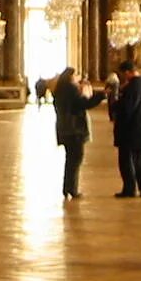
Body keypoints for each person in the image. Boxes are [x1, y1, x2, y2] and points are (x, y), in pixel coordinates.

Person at [53, 68, 104, 200]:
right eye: (76, 75)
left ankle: (67, 188)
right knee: (76, 159)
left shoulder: (60, 90)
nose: (78, 77)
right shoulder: (71, 89)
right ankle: (72, 189)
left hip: (64, 129)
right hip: (75, 130)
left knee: (70, 160)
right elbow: (82, 104)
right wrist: (100, 96)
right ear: (70, 76)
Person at [112, 61, 141, 198]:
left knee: (126, 161)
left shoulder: (132, 86)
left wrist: (116, 105)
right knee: (140, 160)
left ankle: (129, 189)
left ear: (127, 72)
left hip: (129, 130)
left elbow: (128, 108)